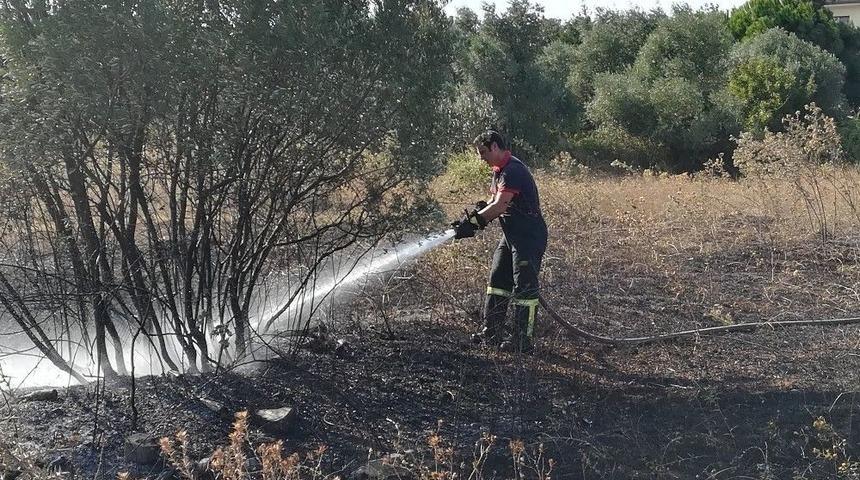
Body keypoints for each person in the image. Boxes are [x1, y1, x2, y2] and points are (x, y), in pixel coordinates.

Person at [451, 130, 548, 353]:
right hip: (511, 235)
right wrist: (471, 217)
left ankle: (523, 341)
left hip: (528, 237)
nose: (481, 157)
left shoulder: (513, 170)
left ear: (495, 146)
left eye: (483, 152)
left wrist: (474, 224)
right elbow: (495, 201)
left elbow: (500, 206)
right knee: (498, 280)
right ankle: (491, 331)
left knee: (524, 288)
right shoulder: (499, 171)